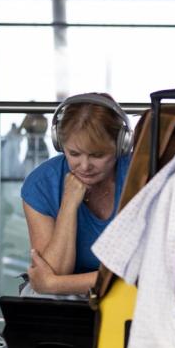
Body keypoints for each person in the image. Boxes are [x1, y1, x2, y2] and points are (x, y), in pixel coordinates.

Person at [20, 93, 133, 296]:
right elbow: (54, 271)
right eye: (74, 154)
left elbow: (141, 273)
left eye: (97, 155)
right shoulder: (41, 183)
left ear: (121, 145)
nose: (85, 166)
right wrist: (69, 205)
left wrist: (55, 284)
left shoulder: (139, 176)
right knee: (39, 298)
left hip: (129, 292)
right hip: (72, 295)